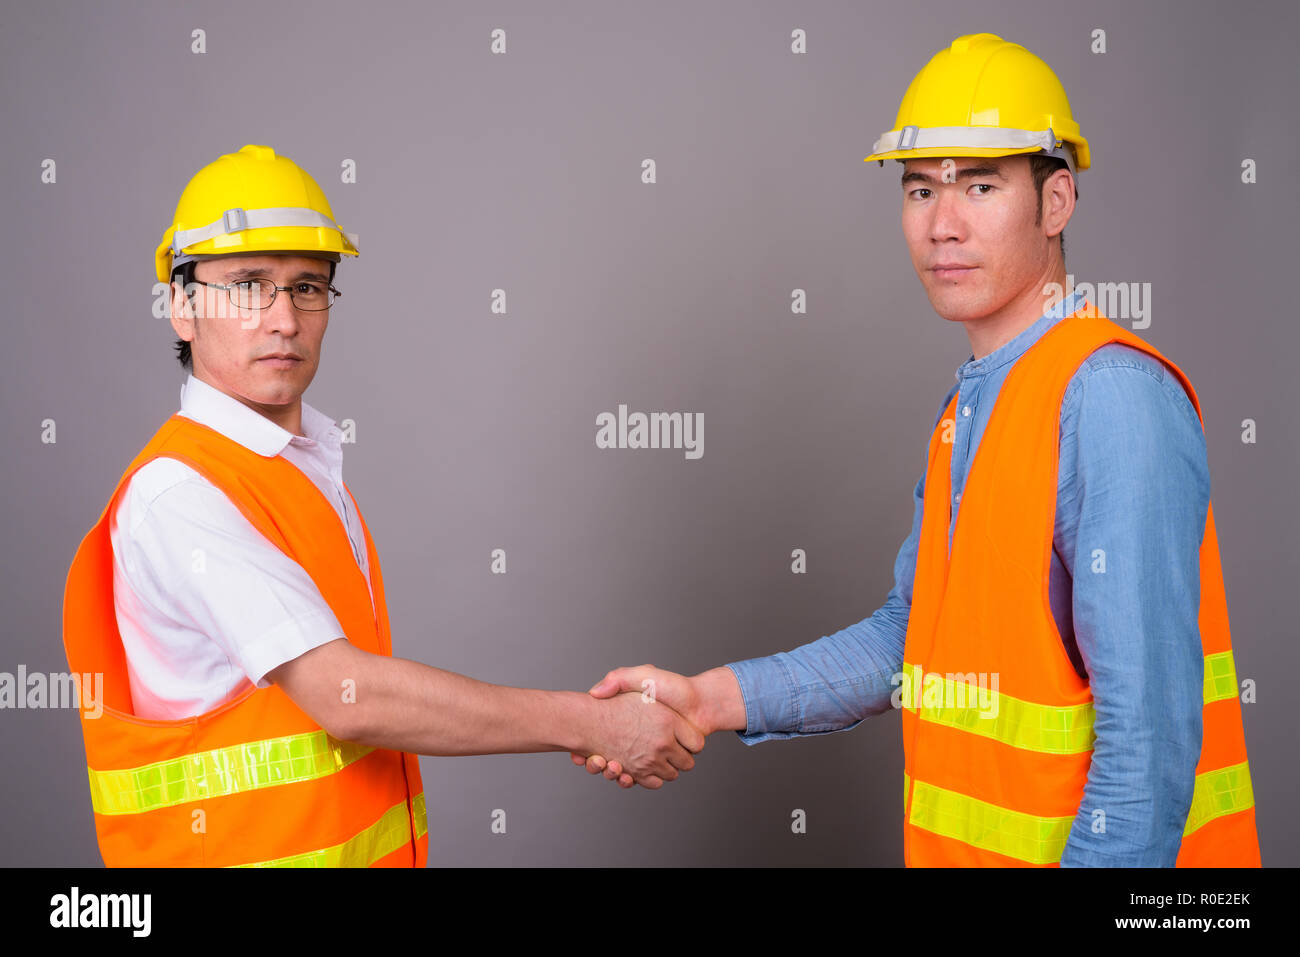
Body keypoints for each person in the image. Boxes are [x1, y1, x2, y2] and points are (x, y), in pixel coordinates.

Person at [575, 33, 1261, 867]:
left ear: (1056, 203)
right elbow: (912, 646)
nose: (943, 224)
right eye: (920, 189)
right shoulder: (973, 405)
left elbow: (1145, 751)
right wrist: (709, 698)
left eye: (980, 186)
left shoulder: (1110, 395)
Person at [61, 143, 703, 868]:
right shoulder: (180, 494)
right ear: (181, 305)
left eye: (307, 286)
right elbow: (348, 695)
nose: (283, 319)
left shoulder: (300, 469)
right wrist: (592, 723)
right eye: (247, 285)